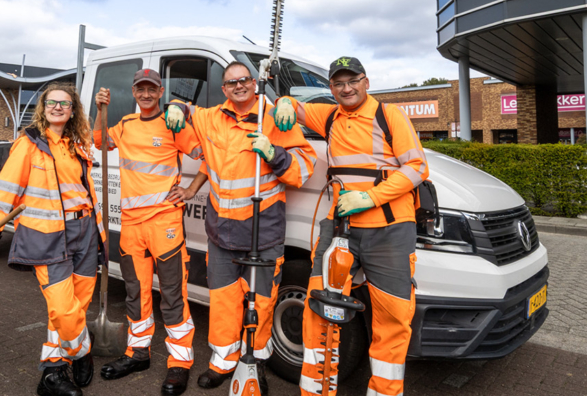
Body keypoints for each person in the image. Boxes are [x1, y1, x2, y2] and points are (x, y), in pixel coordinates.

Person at [271, 57, 429, 396]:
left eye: (352, 81)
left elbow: (416, 168)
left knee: (392, 317)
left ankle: (384, 391)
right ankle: (315, 389)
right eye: (339, 83)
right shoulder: (330, 115)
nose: (346, 88)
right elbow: (296, 109)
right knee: (319, 304)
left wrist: (370, 198)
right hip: (339, 228)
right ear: (331, 88)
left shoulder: (390, 116)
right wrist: (284, 100)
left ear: (366, 82)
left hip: (389, 229)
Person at [165, 62, 316, 394]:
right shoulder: (212, 117)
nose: (239, 86)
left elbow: (303, 168)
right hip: (222, 230)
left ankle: (256, 361)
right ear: (224, 89)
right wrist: (175, 107)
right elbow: (188, 111)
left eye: (244, 80)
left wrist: (274, 153)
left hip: (264, 227)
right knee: (223, 301)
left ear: (254, 83)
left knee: (262, 299)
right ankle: (223, 361)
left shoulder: (273, 116)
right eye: (231, 82)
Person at [0, 82, 107, 396]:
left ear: (72, 111)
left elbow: (87, 186)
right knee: (62, 308)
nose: (58, 107)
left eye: (65, 103)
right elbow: (4, 195)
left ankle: (53, 373)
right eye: (52, 102)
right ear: (43, 108)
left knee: (78, 305)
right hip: (47, 236)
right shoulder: (28, 144)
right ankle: (81, 350)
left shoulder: (77, 143)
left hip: (84, 232)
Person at [91, 69, 207, 396]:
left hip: (165, 223)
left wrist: (191, 189)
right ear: (133, 92)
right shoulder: (125, 124)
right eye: (140, 89)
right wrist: (101, 110)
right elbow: (97, 141)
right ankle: (137, 352)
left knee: (172, 294)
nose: (145, 94)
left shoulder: (173, 124)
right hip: (131, 224)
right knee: (135, 292)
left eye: (151, 90)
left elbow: (208, 155)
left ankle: (180, 362)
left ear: (160, 93)